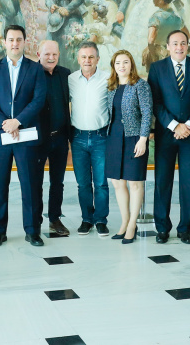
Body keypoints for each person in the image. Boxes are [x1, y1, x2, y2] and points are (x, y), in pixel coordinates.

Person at [0, 25, 48, 246]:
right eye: (11, 39)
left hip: (26, 135)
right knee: (0, 185)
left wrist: (18, 121)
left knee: (30, 185)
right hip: (1, 137)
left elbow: (38, 100)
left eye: (19, 39)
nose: (15, 43)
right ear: (4, 42)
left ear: (24, 42)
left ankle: (32, 231)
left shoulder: (35, 69)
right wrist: (5, 123)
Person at [148, 30, 190, 244]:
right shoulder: (157, 69)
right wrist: (175, 125)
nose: (179, 47)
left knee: (189, 183)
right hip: (167, 135)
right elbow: (155, 102)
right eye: (175, 43)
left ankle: (185, 229)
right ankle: (162, 228)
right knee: (162, 182)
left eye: (183, 43)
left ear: (188, 46)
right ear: (167, 46)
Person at [106, 50, 152, 244]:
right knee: (117, 182)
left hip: (135, 138)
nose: (122, 66)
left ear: (131, 65)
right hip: (115, 137)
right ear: (114, 66)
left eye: (125, 62)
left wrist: (143, 139)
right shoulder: (111, 86)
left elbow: (148, 112)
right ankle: (124, 222)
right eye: (118, 63)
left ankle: (132, 224)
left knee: (135, 183)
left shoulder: (140, 85)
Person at [68, 42, 111, 236]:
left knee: (101, 183)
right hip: (77, 138)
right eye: (84, 57)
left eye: (91, 57)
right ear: (78, 59)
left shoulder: (109, 79)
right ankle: (87, 219)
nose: (87, 60)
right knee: (83, 183)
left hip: (101, 137)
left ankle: (101, 220)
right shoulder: (70, 80)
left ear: (98, 59)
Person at [36, 40, 72, 236]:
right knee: (37, 181)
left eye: (54, 55)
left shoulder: (66, 74)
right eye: (47, 54)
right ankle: (35, 219)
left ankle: (55, 219)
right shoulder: (32, 73)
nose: (51, 58)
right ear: (38, 53)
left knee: (57, 181)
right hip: (38, 139)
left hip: (60, 137)